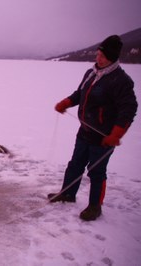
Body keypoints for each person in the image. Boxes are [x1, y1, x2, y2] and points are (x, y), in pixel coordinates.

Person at [48, 35, 138, 221]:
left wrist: (116, 134)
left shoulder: (121, 80)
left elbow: (129, 109)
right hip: (85, 130)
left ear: (112, 58)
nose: (98, 58)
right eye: (98, 54)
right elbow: (80, 93)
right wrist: (66, 102)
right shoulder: (91, 73)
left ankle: (95, 206)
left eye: (102, 56)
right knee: (75, 164)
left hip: (103, 136)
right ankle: (67, 194)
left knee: (96, 172)